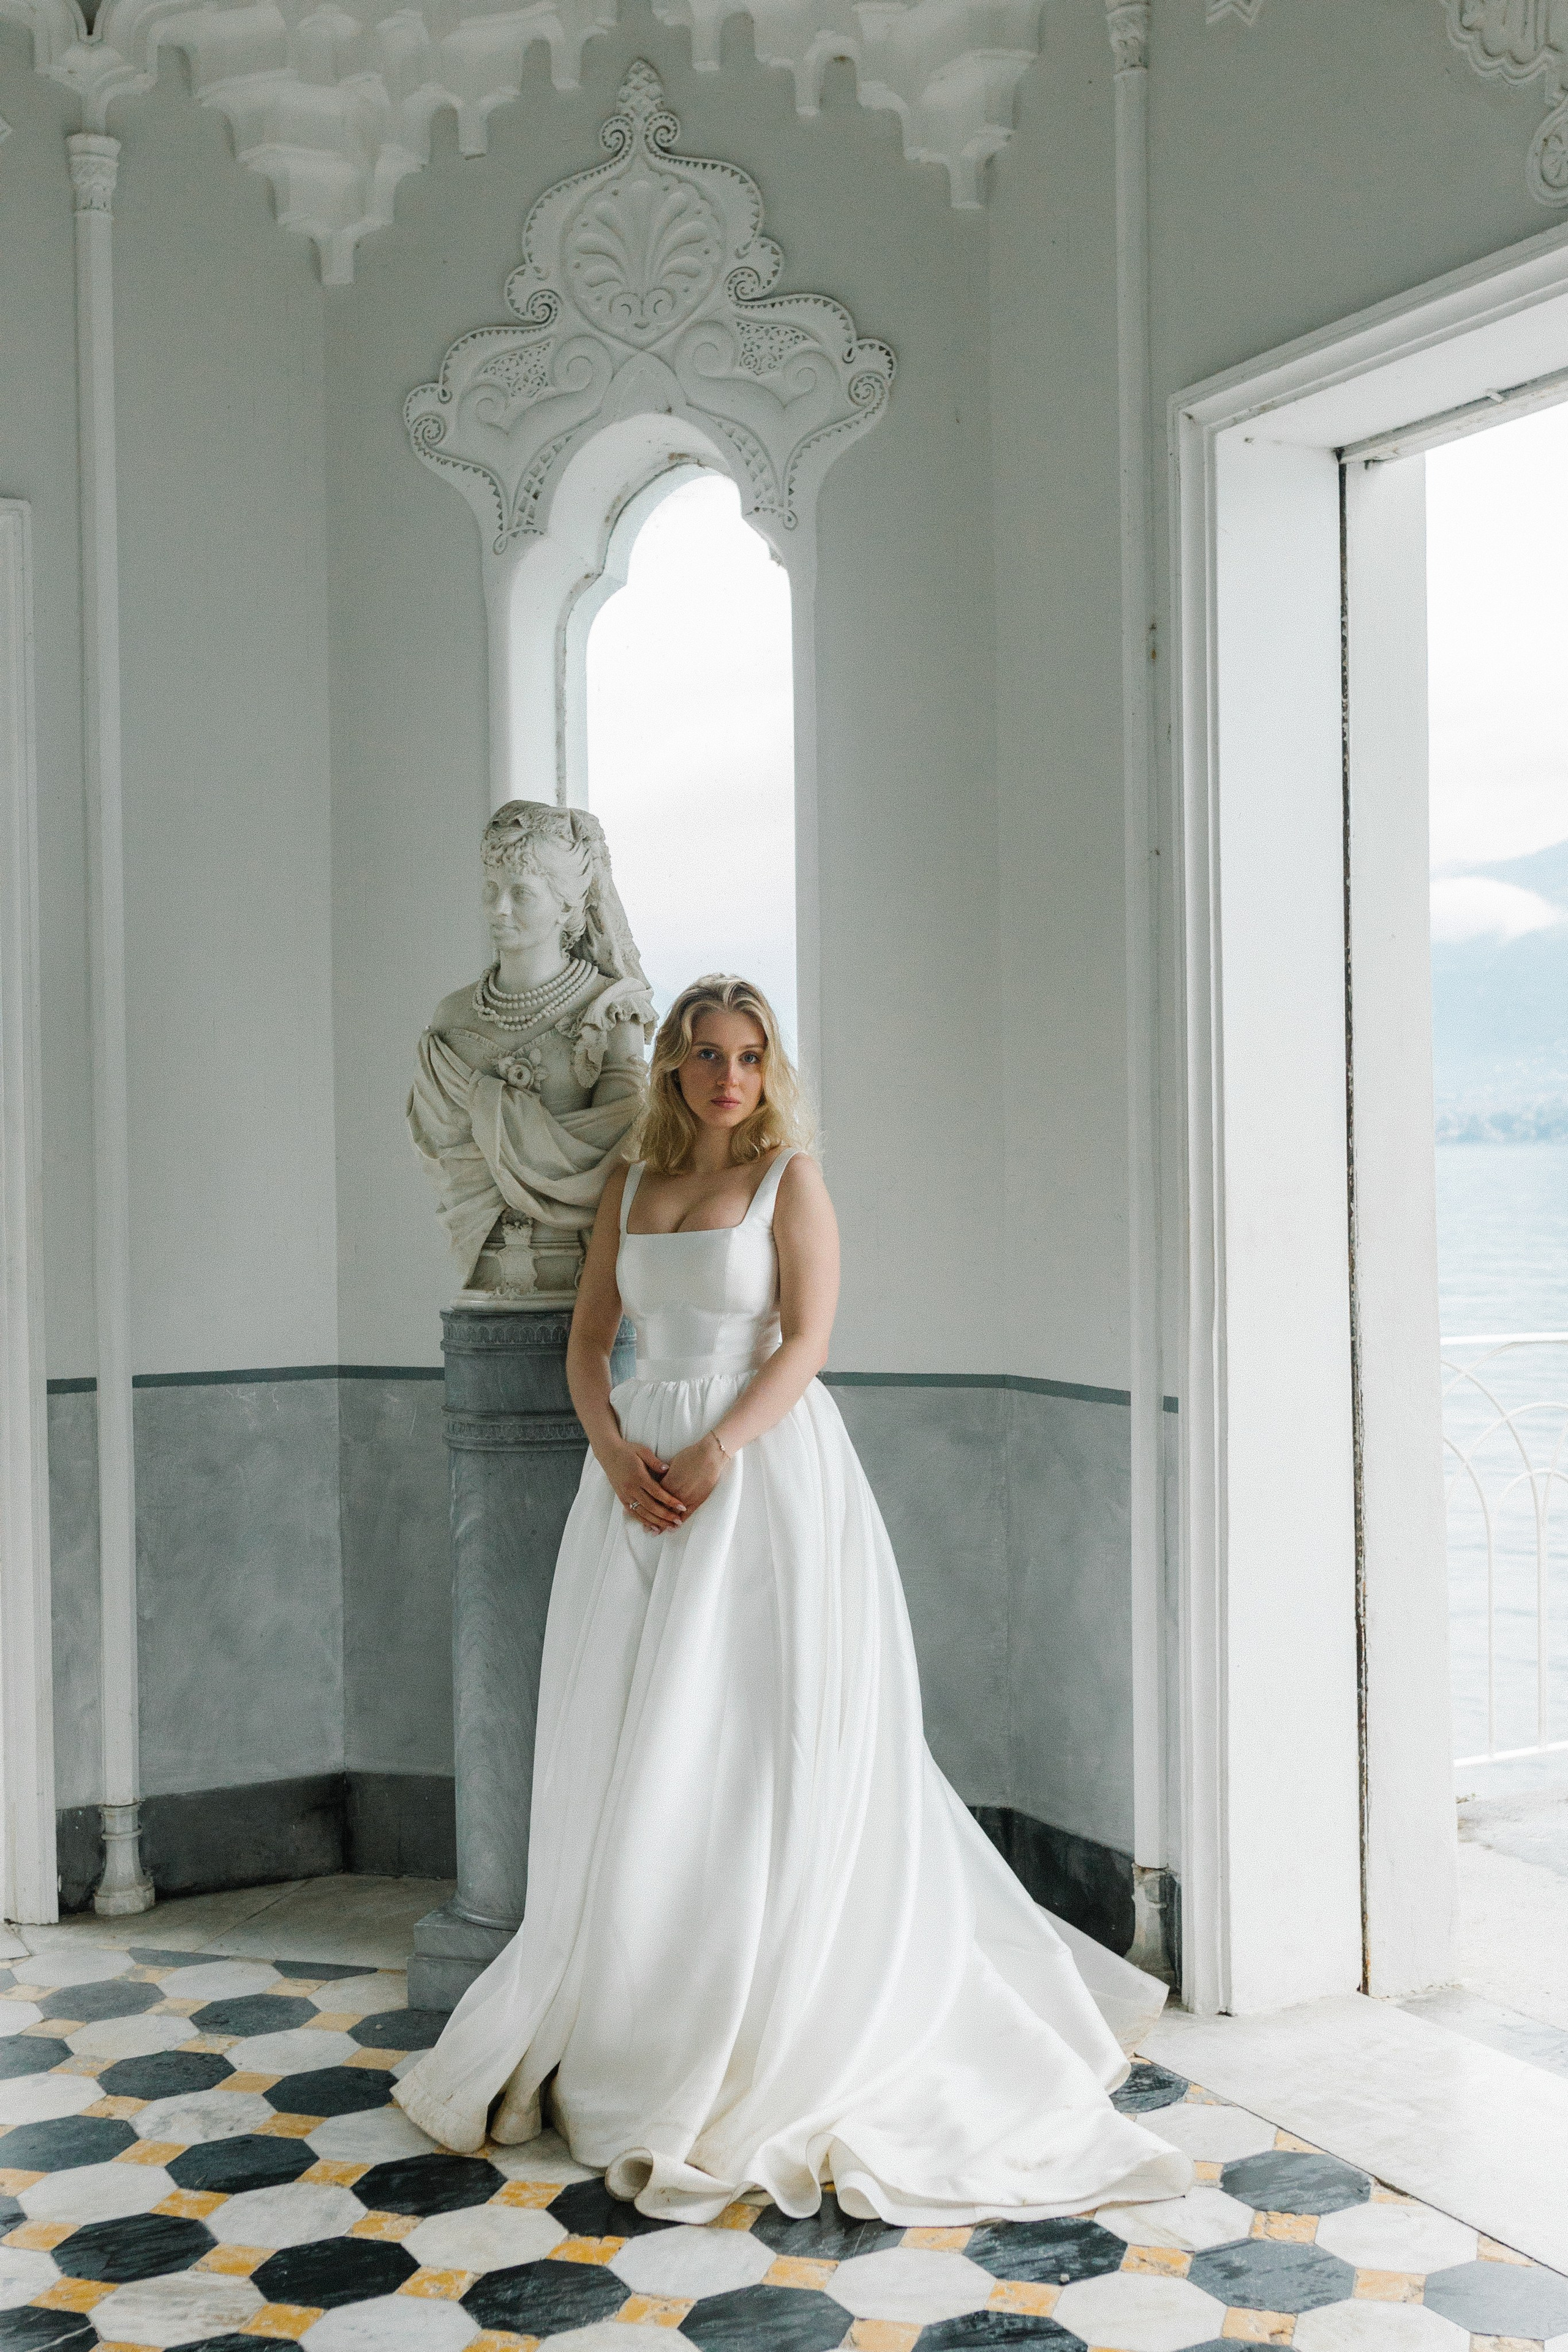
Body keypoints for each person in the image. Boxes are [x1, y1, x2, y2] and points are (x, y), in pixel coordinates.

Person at [394, 974, 1193, 2224]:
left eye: (751, 1056)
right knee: (635, 1735)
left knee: (758, 1734)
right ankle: (642, 2007)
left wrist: (719, 1449)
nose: (731, 1077)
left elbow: (809, 1341)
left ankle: (778, 2001)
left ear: (770, 1070)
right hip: (634, 1476)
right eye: (710, 1054)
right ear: (673, 1065)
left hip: (761, 1472)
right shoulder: (630, 1184)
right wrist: (613, 1451)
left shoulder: (789, 1180)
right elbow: (588, 1340)